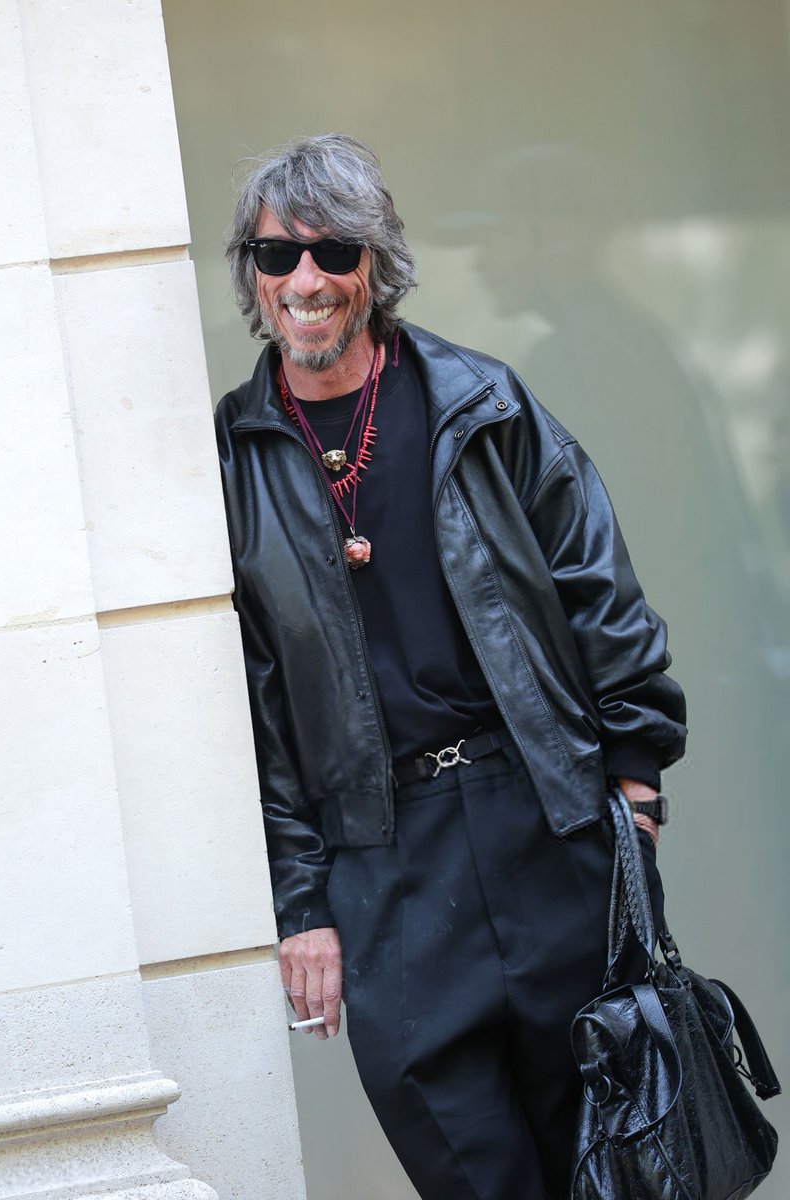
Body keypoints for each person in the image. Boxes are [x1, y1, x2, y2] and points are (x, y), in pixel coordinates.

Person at [215, 133, 686, 1200]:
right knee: (472, 1170)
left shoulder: (481, 404)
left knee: (615, 1165)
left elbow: (598, 590)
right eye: (277, 255)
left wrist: (635, 786)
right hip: (382, 863)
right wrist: (301, 904)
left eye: (332, 252)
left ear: (374, 263)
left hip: (542, 821)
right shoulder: (234, 460)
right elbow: (255, 711)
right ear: (252, 274)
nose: (304, 280)